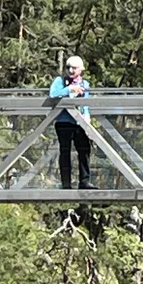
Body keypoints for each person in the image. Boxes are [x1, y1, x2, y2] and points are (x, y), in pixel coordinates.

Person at [48, 54, 93, 190]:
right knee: (65, 151)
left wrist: (87, 119)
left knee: (84, 150)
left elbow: (85, 104)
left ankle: (84, 181)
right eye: (68, 67)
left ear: (81, 69)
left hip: (79, 123)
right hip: (63, 121)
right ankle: (66, 183)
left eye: (74, 68)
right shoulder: (59, 81)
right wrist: (69, 89)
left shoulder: (85, 84)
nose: (71, 71)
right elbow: (52, 94)